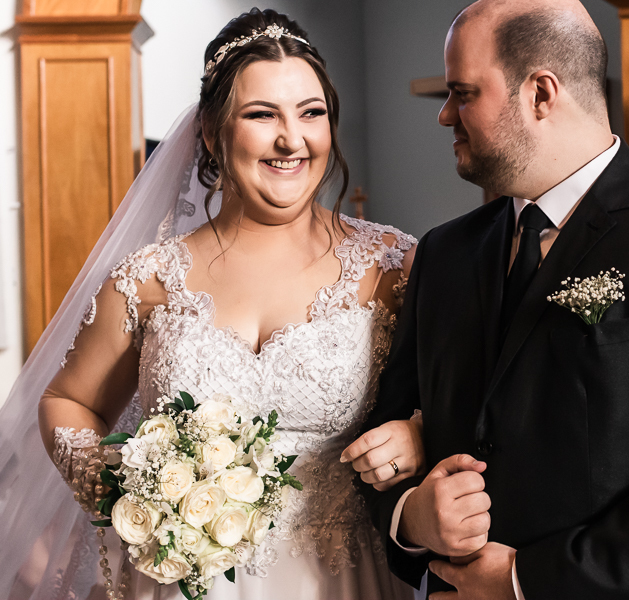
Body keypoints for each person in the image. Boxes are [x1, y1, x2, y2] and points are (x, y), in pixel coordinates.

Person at [349, 1, 629, 598]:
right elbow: (386, 434)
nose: (444, 116)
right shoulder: (443, 253)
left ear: (541, 93)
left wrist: (524, 581)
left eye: (463, 94)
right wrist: (412, 516)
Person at [0, 9, 424, 600]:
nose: (291, 139)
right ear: (209, 132)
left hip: (339, 579)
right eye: (261, 115)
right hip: (177, 583)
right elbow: (67, 399)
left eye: (311, 113)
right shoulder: (149, 278)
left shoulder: (392, 267)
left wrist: (417, 434)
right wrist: (118, 486)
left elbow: (462, 405)